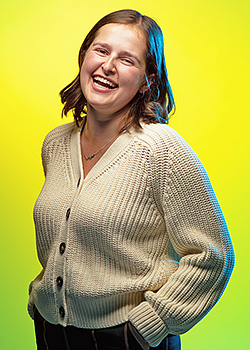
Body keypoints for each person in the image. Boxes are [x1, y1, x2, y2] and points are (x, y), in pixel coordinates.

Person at [27, 9, 235, 350]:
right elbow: (66, 239)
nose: (108, 65)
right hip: (52, 334)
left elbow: (214, 255)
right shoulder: (56, 143)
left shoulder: (162, 149)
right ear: (84, 58)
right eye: (101, 50)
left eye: (127, 60)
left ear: (146, 80)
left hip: (126, 339)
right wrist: (42, 298)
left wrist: (151, 324)